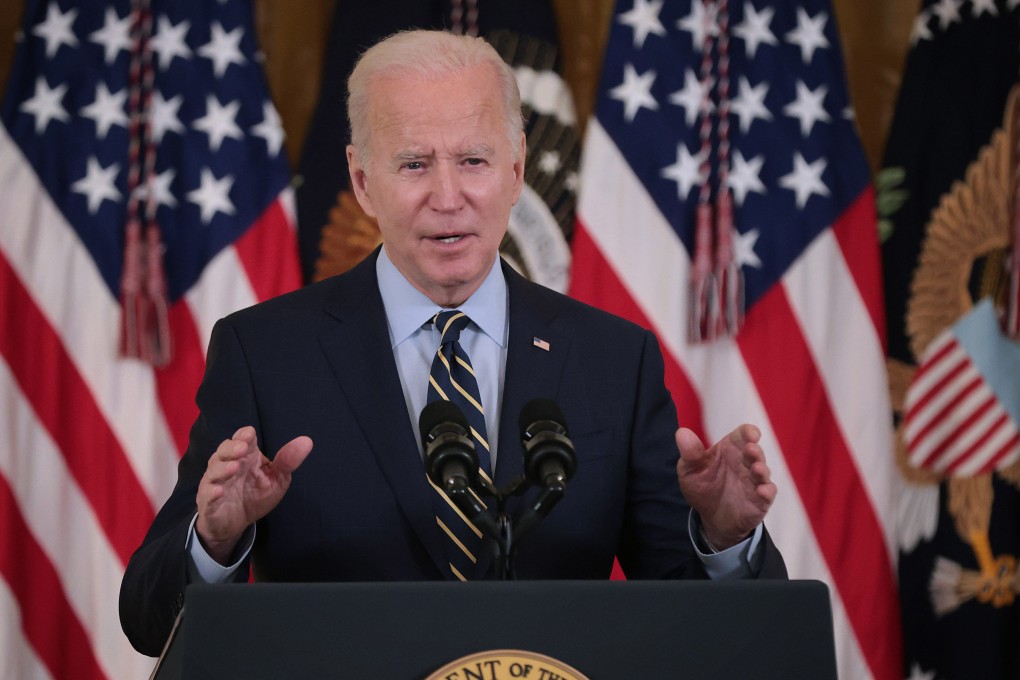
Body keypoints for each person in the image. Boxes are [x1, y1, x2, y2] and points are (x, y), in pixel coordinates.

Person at [119, 29, 786, 657]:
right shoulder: (265, 355)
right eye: (414, 164)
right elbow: (148, 624)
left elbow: (693, 623)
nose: (448, 196)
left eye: (473, 161)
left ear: (516, 171)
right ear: (362, 181)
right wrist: (215, 539)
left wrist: (723, 539)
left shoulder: (614, 360)